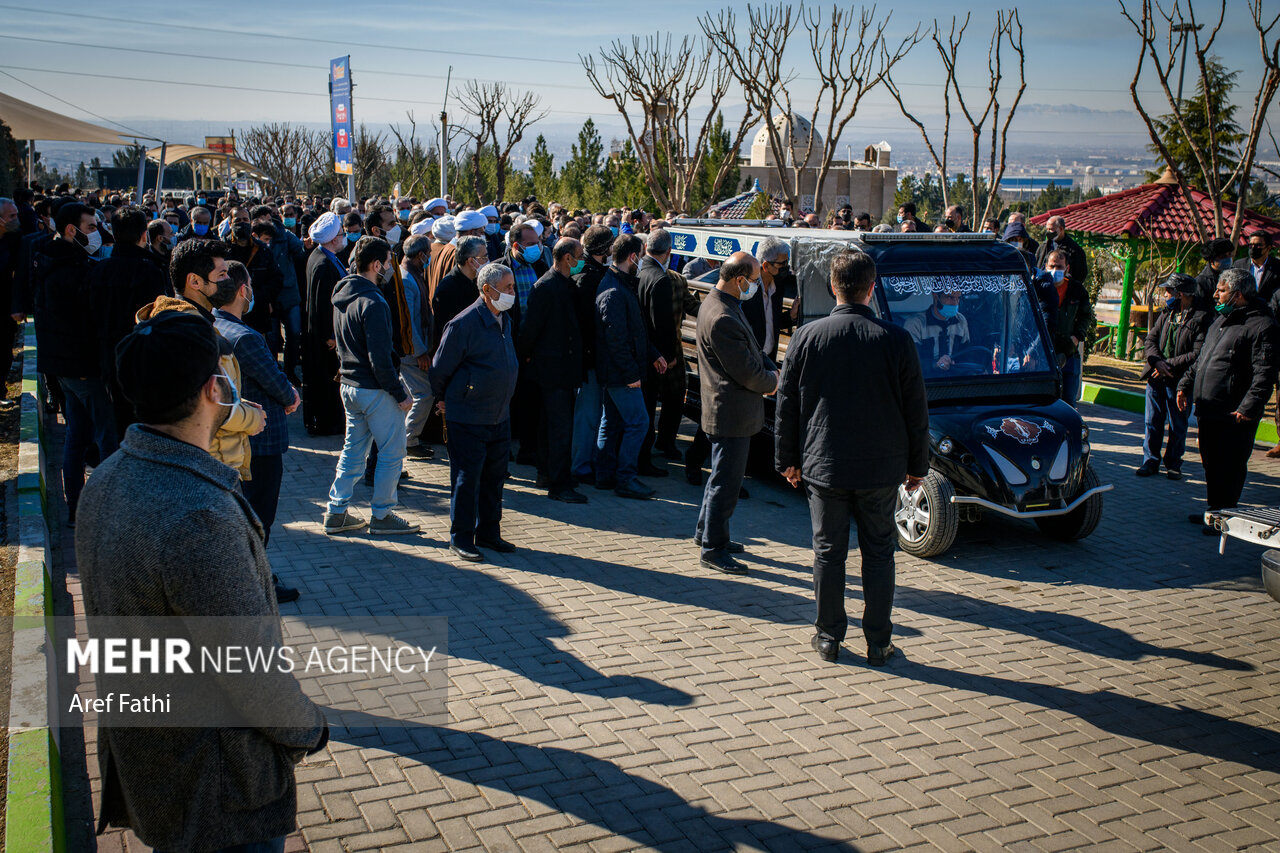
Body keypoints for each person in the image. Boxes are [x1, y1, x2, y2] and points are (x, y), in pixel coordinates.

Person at [77, 310, 327, 853]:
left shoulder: (109, 477)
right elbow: (247, 667)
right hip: (216, 783)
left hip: (159, 760)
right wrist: (307, 728)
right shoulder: (196, 514)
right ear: (214, 389)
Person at [774, 249, 929, 666]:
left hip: (825, 466)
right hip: (881, 467)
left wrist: (786, 458)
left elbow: (787, 403)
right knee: (879, 552)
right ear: (872, 288)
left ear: (832, 286)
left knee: (828, 551)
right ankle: (878, 641)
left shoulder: (807, 337)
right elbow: (916, 408)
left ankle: (828, 636)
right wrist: (919, 466)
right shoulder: (896, 339)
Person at [321, 237, 418, 536]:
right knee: (391, 452)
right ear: (376, 264)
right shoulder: (373, 301)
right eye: (388, 262)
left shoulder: (343, 294)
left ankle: (336, 511)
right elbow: (380, 358)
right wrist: (400, 393)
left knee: (353, 450)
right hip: (374, 388)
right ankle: (383, 513)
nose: (390, 268)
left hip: (350, 385)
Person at [33, 201, 118, 525]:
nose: (96, 234)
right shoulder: (73, 269)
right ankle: (109, 508)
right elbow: (88, 319)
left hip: (61, 366)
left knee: (76, 436)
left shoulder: (46, 259)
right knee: (105, 437)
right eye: (91, 227)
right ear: (72, 230)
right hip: (82, 366)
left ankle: (75, 509)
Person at [694, 252, 779, 574]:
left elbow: (754, 352)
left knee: (720, 478)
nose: (757, 286)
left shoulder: (723, 304)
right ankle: (713, 549)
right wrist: (772, 382)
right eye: (755, 280)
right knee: (725, 484)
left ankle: (707, 533)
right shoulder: (722, 316)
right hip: (730, 412)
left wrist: (771, 370)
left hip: (729, 410)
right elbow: (746, 371)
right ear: (739, 279)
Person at [1178, 268, 1280, 531]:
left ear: (1237, 295)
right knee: (1211, 462)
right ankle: (1213, 511)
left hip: (1235, 414)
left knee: (1230, 466)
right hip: (1209, 408)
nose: (1215, 295)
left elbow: (1264, 374)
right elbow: (1203, 359)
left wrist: (1248, 407)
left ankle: (1225, 518)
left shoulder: (1262, 326)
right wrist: (1185, 384)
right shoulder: (1221, 320)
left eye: (1221, 290)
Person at [431, 263, 521, 562]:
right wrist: (445, 398)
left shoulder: (503, 318)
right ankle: (461, 537)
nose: (512, 293)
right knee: (467, 479)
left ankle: (488, 533)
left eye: (512, 287)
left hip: (500, 414)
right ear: (487, 290)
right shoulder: (464, 324)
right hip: (468, 415)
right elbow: (440, 369)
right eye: (507, 287)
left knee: (495, 478)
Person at [595, 234, 666, 499]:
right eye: (641, 255)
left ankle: (605, 476)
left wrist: (653, 354)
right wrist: (631, 374)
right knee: (638, 423)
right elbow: (616, 340)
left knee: (611, 422)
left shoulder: (621, 284)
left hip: (619, 371)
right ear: (633, 257)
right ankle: (625, 478)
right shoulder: (614, 290)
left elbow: (635, 331)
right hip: (620, 374)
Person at [89, 206, 170, 436]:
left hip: (107, 354)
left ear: (113, 235)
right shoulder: (151, 270)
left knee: (117, 420)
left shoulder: (99, 270)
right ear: (144, 235)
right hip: (142, 357)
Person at [518, 238, 587, 504]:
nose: (582, 260)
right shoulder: (545, 286)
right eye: (579, 255)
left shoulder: (565, 285)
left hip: (562, 367)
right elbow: (530, 329)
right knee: (558, 427)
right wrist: (525, 356)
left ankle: (549, 472)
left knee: (552, 425)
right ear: (567, 258)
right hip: (551, 368)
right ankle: (558, 483)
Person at [1137, 273, 1209, 480]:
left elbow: (1197, 352)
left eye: (1169, 291)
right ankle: (1150, 460)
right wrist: (1157, 361)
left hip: (1180, 379)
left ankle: (1174, 463)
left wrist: (1168, 365)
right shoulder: (1167, 313)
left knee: (1178, 424)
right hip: (1157, 375)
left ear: (1181, 294)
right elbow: (1150, 340)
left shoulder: (1201, 317)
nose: (1165, 294)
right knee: (1152, 421)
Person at [570, 225, 613, 484]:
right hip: (589, 359)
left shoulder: (588, 273)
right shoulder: (590, 278)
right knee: (587, 415)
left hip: (588, 357)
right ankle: (580, 466)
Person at [636, 229, 679, 476]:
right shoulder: (660, 279)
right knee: (648, 408)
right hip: (654, 357)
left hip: (642, 352)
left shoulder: (640, 271)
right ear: (668, 252)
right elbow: (663, 323)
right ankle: (643, 461)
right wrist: (668, 355)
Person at [302, 211, 348, 435]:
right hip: (325, 337)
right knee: (326, 380)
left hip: (326, 333)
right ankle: (326, 423)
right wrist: (330, 335)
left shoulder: (324, 257)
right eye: (341, 233)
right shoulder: (322, 264)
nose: (344, 236)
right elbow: (323, 304)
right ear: (333, 239)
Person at [252, 205, 307, 381]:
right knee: (272, 339)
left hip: (289, 295)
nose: (268, 221)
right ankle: (275, 373)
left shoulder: (284, 235)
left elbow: (300, 252)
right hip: (269, 298)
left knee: (294, 333)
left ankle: (290, 371)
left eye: (270, 217)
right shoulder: (254, 245)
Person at [398, 233, 436, 458]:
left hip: (415, 349)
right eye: (428, 253)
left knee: (414, 393)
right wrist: (420, 351)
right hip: (412, 352)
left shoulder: (413, 274)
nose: (429, 257)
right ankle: (408, 439)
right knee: (424, 394)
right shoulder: (406, 279)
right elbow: (409, 321)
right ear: (420, 255)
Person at [1044, 249, 1091, 403]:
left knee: (1068, 401)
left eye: (1059, 267)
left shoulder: (1077, 290)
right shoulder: (1039, 288)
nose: (1055, 270)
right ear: (1045, 266)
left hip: (1068, 352)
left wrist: (1077, 337)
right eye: (1051, 266)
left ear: (1067, 268)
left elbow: (1086, 316)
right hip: (1043, 353)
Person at [903, 290, 970, 374]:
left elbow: (967, 353)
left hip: (957, 379)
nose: (955, 303)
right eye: (950, 297)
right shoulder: (915, 323)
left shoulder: (961, 320)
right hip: (928, 381)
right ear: (935, 297)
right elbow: (910, 362)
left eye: (958, 298)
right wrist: (935, 365)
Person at [431, 235, 487, 336]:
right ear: (471, 261)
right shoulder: (447, 289)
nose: (487, 261)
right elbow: (448, 330)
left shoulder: (477, 280)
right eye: (484, 257)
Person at [1035, 215, 1088, 287]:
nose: (1048, 232)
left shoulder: (1074, 249)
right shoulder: (1043, 247)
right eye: (1047, 229)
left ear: (1061, 229)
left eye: (1051, 229)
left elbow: (1080, 274)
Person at [1235, 230, 1279, 304]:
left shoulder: (1277, 267)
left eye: (1258, 245)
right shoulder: (1239, 265)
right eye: (1251, 245)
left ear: (1268, 248)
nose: (1253, 248)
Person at [1194, 237, 1235, 305]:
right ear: (1212, 261)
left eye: (1229, 255)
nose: (1228, 259)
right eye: (1223, 256)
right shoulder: (1201, 282)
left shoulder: (1236, 276)